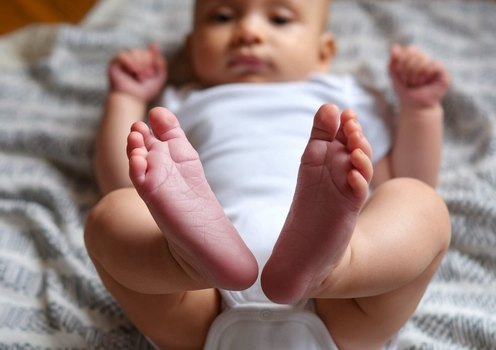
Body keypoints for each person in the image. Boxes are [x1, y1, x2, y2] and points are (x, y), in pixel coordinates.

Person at [84, 0, 451, 349]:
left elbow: (402, 177)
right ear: (192, 47)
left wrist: (419, 110)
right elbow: (127, 179)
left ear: (323, 52)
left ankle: (340, 265)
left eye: (279, 19)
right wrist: (127, 98)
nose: (248, 32)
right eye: (223, 17)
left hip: (342, 301)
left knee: (418, 201)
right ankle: (181, 260)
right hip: (203, 300)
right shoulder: (184, 101)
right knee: (111, 214)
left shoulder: (349, 96)